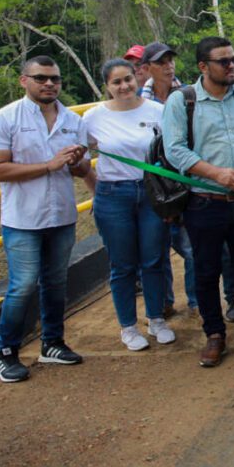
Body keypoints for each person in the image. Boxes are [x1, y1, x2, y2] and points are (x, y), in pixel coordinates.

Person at [162, 36, 234, 368]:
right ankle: (214, 334)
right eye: (224, 61)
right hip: (204, 202)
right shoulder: (181, 101)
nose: (232, 66)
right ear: (203, 66)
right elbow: (175, 150)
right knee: (206, 269)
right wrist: (218, 175)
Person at [0, 56, 91, 382]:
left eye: (55, 79)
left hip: (61, 214)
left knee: (57, 281)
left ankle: (53, 343)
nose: (49, 84)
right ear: (23, 81)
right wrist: (49, 165)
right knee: (23, 285)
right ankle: (7, 353)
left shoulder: (73, 120)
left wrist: (77, 162)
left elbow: (80, 169)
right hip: (22, 219)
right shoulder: (5, 118)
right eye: (41, 78)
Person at [83, 59, 175, 351]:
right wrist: (98, 189)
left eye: (127, 79)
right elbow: (80, 160)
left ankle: (156, 319)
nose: (124, 86)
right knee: (122, 265)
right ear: (107, 87)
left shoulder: (158, 112)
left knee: (153, 259)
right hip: (113, 195)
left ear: (137, 77)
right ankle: (128, 326)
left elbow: (170, 153)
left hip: (151, 193)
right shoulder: (92, 117)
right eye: (116, 82)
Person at [136, 41, 199, 319]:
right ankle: (163, 301)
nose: (168, 66)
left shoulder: (190, 97)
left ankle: (197, 301)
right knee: (156, 251)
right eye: (161, 62)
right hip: (154, 187)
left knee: (192, 248)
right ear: (147, 68)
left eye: (170, 60)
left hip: (186, 183)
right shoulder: (138, 102)